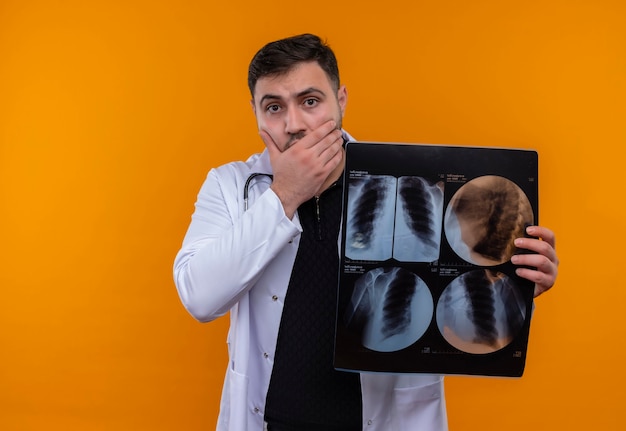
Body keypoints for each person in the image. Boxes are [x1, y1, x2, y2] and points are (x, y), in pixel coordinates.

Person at [173, 33, 559, 431]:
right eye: (274, 107)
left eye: (310, 101)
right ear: (254, 112)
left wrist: (514, 279)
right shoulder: (230, 185)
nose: (294, 125)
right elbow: (200, 298)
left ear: (340, 100)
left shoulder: (418, 181)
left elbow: (455, 283)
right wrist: (285, 193)